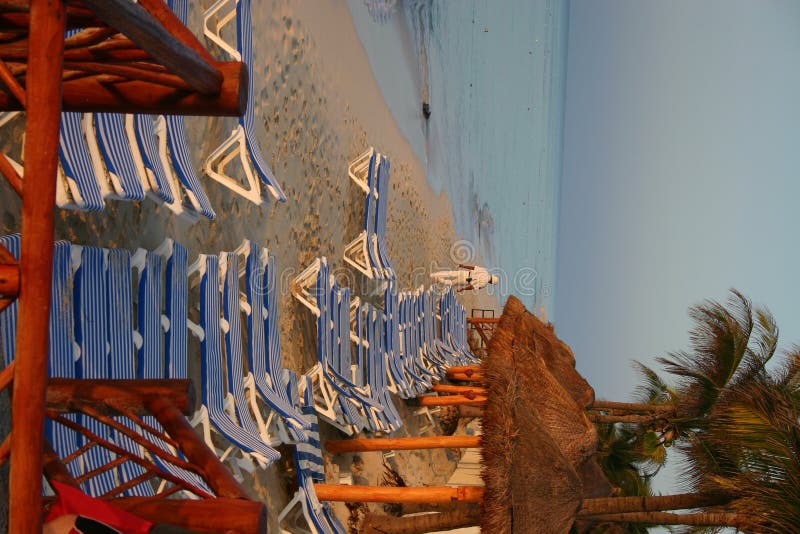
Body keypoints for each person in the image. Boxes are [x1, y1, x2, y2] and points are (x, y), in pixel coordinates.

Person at [430, 264, 498, 292]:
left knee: (449, 273)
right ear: (491, 283)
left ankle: (433, 275)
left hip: (465, 273)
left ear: (492, 276)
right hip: (466, 280)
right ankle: (440, 280)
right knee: (451, 283)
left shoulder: (484, 271)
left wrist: (463, 266)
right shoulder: (484, 284)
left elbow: (473, 267)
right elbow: (472, 287)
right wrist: (463, 289)